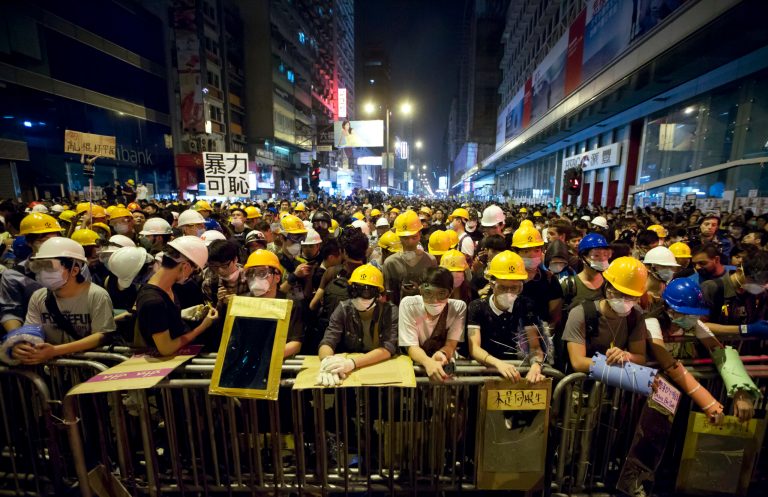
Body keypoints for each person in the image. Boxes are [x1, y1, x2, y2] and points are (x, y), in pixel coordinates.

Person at [645, 278, 758, 422]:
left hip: (677, 397)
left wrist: (741, 392)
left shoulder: (694, 324)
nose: (692, 318)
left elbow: (720, 352)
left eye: (694, 314)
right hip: (649, 397)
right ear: (669, 310)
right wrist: (709, 403)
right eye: (686, 313)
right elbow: (668, 363)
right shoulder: (652, 323)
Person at [12, 237, 116, 364]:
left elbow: (101, 335)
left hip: (89, 368)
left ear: (74, 270)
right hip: (54, 373)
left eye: (50, 267)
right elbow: (31, 332)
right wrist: (21, 346)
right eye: (40, 266)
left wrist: (56, 350)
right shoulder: (39, 297)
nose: (44, 273)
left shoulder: (96, 295)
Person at [467, 251, 546, 383]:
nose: (509, 293)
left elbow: (535, 346)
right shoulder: (477, 307)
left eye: (514, 288)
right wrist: (498, 364)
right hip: (485, 375)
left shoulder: (526, 305)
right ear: (492, 284)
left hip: (517, 375)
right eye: (502, 288)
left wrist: (536, 366)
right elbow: (474, 348)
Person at [135, 236, 219, 355]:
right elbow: (166, 348)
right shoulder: (153, 301)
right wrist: (203, 326)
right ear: (186, 266)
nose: (192, 276)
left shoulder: (168, 288)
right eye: (195, 271)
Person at [316, 264, 398, 386]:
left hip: (378, 365)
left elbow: (387, 348)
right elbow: (328, 340)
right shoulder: (344, 308)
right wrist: (327, 362)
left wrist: (351, 363)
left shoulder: (390, 311)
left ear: (378, 293)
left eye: (366, 291)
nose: (360, 296)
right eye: (356, 290)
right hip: (350, 371)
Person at [563, 257, 648, 373]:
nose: (624, 300)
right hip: (585, 386)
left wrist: (627, 356)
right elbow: (578, 362)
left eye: (631, 296)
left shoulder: (636, 316)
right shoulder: (580, 313)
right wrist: (616, 364)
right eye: (618, 293)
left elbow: (640, 357)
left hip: (617, 387)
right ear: (606, 287)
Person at [398, 267, 466, 382]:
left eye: (441, 294)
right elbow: (411, 346)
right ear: (420, 290)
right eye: (428, 293)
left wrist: (442, 353)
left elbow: (451, 344)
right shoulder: (408, 305)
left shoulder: (458, 308)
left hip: (443, 363)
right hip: (415, 365)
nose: (434, 300)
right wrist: (428, 362)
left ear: (450, 292)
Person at [243, 249, 303, 357]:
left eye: (262, 273)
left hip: (276, 362)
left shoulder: (290, 304)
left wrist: (265, 356)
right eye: (251, 273)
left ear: (277, 277)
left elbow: (295, 343)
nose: (255, 278)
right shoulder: (243, 303)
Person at [512, 225, 563, 328]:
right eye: (526, 251)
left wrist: (546, 336)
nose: (532, 255)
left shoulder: (549, 279)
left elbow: (555, 316)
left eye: (536, 250)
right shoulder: (508, 279)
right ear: (516, 252)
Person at [383, 210, 437, 305]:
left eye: (414, 237)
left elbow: (435, 290)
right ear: (399, 237)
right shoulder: (390, 263)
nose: (410, 242)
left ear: (420, 234)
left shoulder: (430, 260)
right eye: (405, 238)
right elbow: (388, 296)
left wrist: (419, 290)